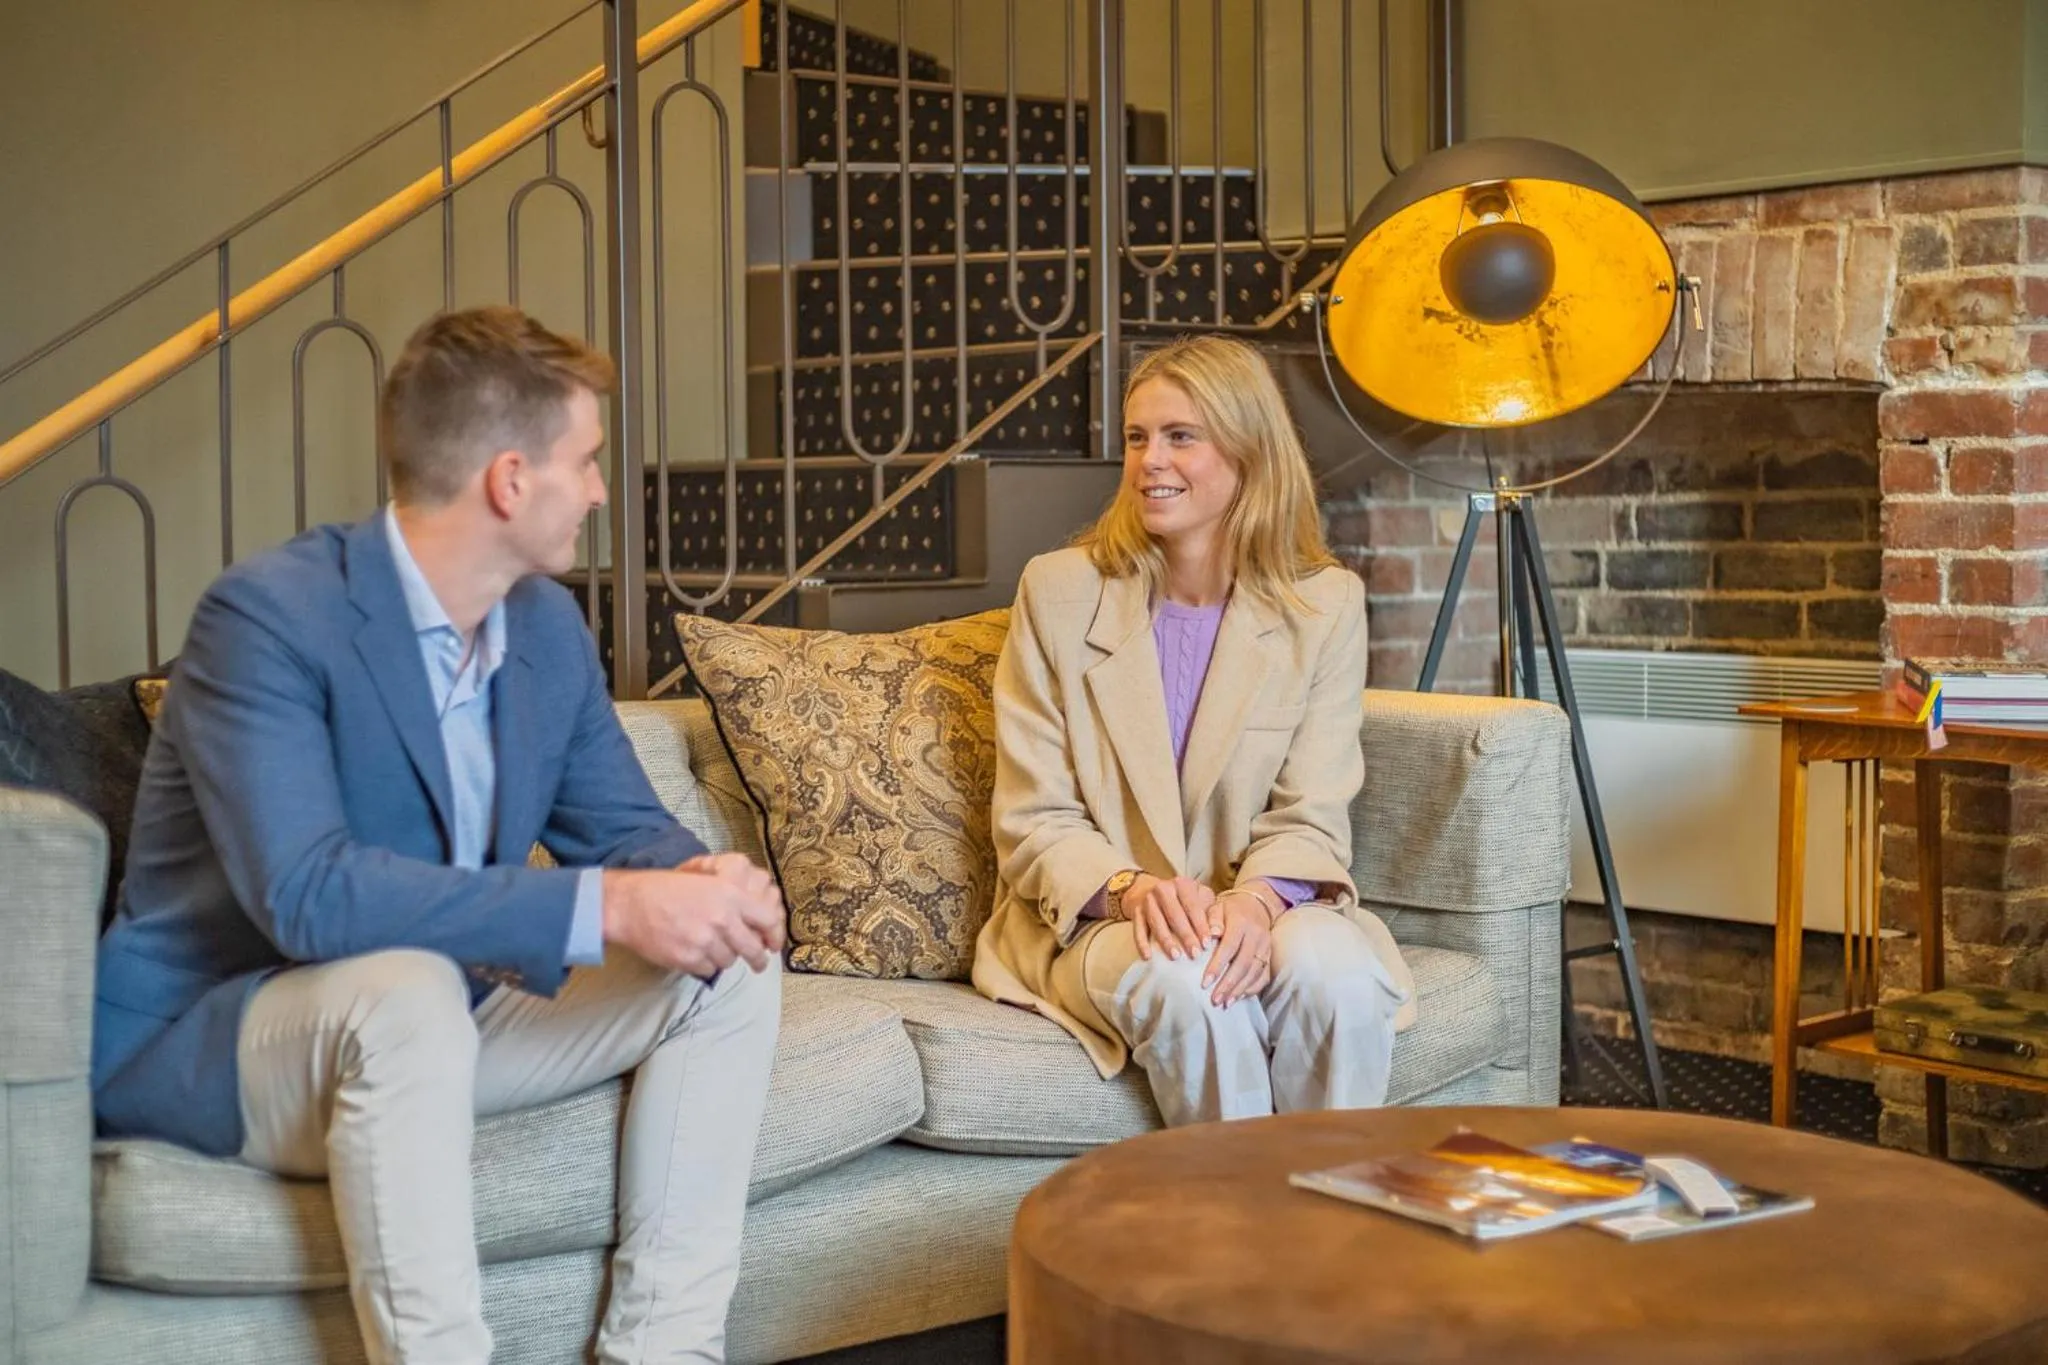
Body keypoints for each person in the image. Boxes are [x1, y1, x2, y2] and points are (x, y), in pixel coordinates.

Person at [91, 306, 784, 1365]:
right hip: (227, 1036)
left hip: (434, 1021)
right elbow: (308, 895)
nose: (602, 491)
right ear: (511, 478)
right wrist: (607, 907)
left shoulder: (544, 625)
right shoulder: (266, 617)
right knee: (406, 990)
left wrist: (701, 879)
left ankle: (663, 1353)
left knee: (727, 969)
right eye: (587, 461)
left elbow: (620, 825)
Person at [972, 334, 1417, 1128]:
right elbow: (1034, 816)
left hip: (1259, 903)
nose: (1150, 461)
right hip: (1103, 920)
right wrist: (1132, 890)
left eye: (1182, 436)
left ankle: (1331, 1229)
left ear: (1250, 453)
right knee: (1190, 980)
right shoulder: (1061, 592)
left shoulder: (1325, 606)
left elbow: (1311, 809)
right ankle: (1241, 1240)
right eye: (1138, 438)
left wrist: (1253, 905)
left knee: (1336, 973)